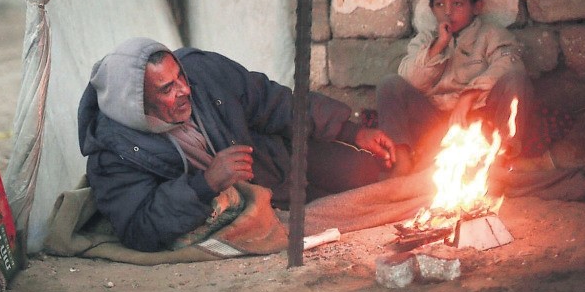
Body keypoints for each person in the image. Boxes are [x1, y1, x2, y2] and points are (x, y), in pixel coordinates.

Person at [78, 37, 397, 252]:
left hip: (283, 164)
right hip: (260, 211)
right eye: (166, 89)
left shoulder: (205, 72)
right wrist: (205, 184)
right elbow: (138, 227)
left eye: (180, 78)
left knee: (384, 176)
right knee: (371, 209)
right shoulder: (113, 153)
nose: (184, 90)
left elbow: (276, 103)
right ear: (136, 102)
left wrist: (351, 131)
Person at [376, 0, 533, 177]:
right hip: (435, 126)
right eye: (440, 4)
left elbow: (509, 62)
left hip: (480, 123)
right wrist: (437, 47)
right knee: (389, 84)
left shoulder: (491, 35)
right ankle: (401, 165)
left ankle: (502, 161)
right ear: (432, 8)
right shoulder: (424, 41)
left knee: (516, 79)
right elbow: (409, 81)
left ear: (477, 6)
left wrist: (469, 96)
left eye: (457, 4)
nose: (448, 12)